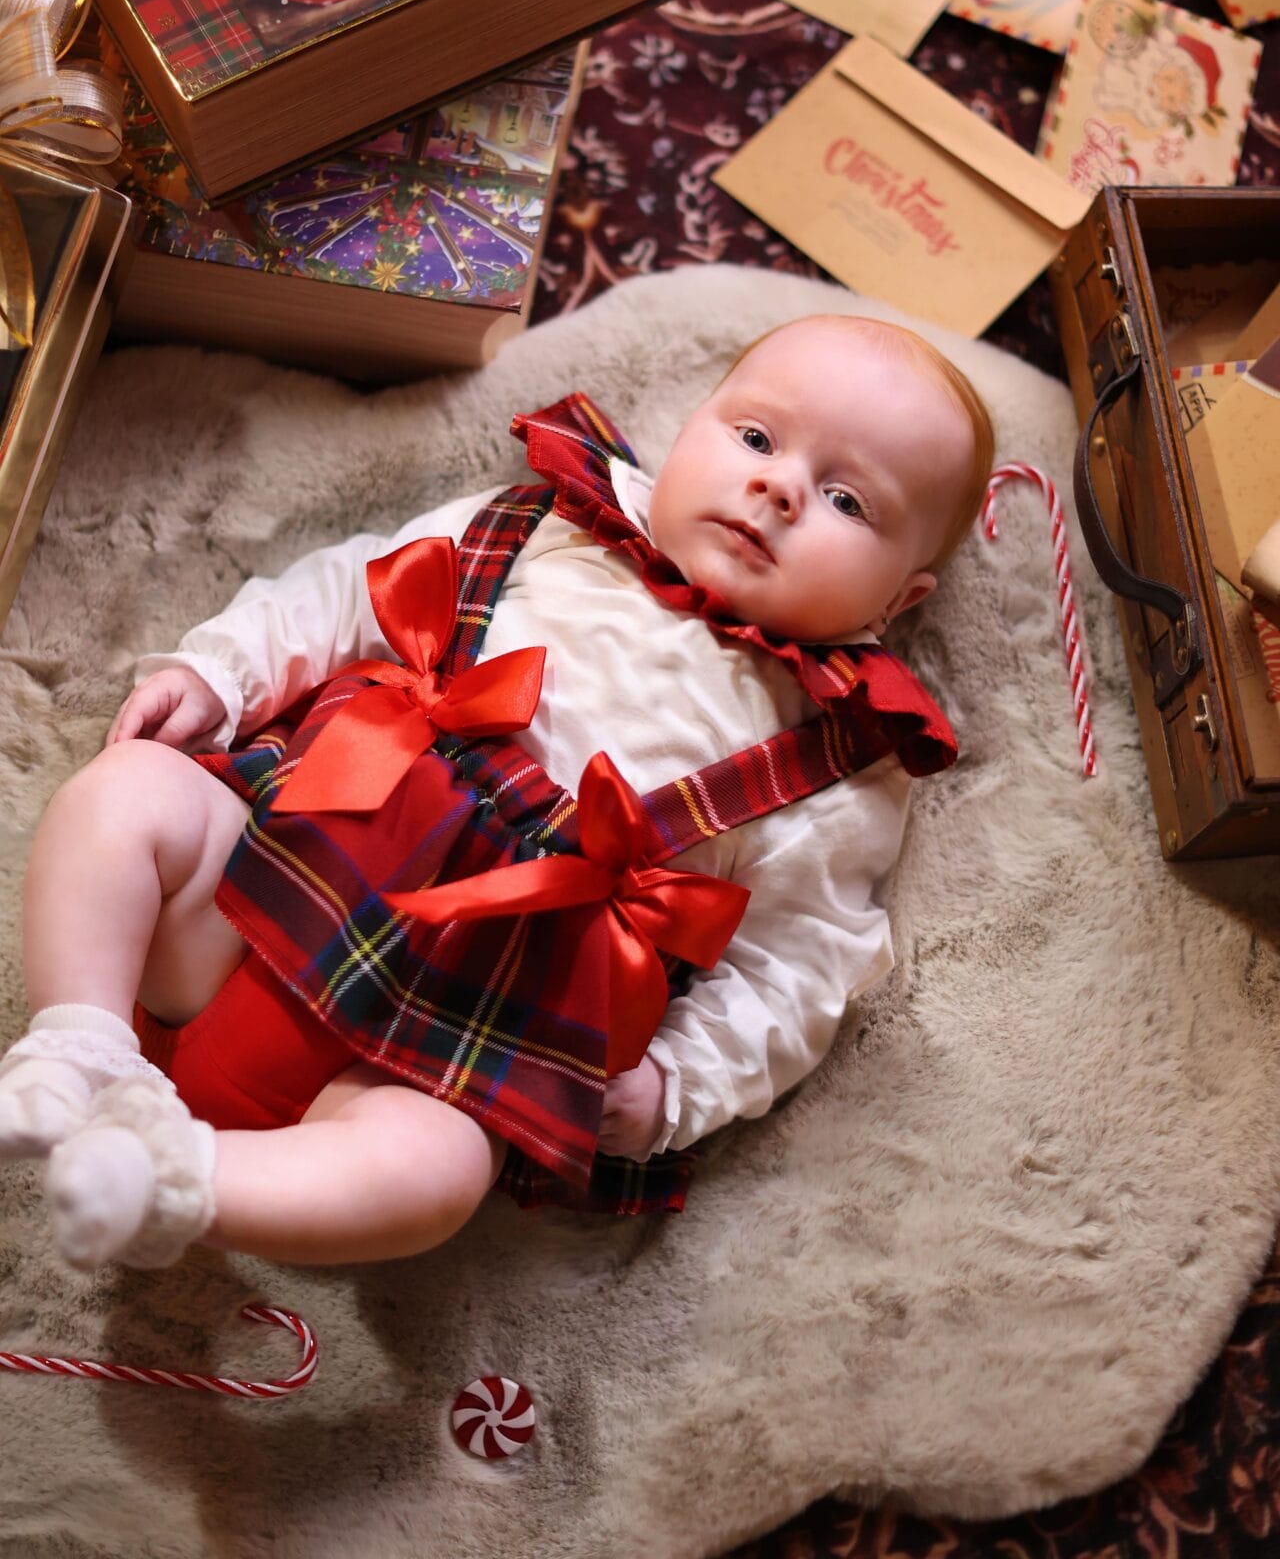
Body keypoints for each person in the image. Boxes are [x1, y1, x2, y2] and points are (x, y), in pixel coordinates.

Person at [0, 315, 994, 1272]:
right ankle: (80, 1042)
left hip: (469, 1028)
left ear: (898, 598)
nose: (778, 488)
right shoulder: (559, 521)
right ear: (690, 425)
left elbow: (798, 969)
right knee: (126, 794)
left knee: (435, 1177)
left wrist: (676, 1087)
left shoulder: (834, 756)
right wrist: (220, 675)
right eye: (754, 436)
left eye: (847, 501)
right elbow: (354, 593)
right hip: (282, 858)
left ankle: (178, 1184)